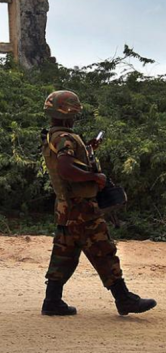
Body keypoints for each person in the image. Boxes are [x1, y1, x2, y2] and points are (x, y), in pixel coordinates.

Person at [41, 90, 157, 316]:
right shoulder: (65, 138)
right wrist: (95, 177)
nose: (75, 117)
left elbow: (66, 162)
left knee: (64, 254)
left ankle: (52, 301)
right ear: (67, 113)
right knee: (104, 251)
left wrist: (88, 150)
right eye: (74, 113)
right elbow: (65, 168)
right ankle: (124, 299)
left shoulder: (52, 135)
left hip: (66, 207)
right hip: (82, 208)